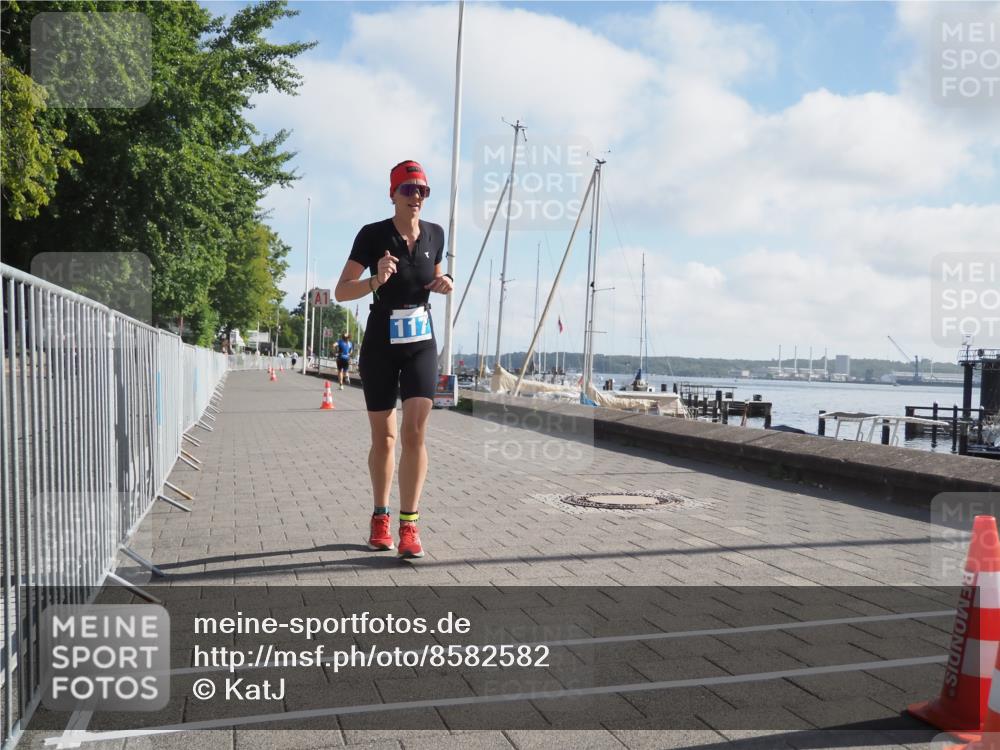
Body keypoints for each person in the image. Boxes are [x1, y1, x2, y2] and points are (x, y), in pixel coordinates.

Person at [334, 160, 453, 559]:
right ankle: (380, 516)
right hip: (381, 341)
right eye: (408, 189)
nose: (416, 196)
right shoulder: (372, 235)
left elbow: (436, 274)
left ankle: (410, 525)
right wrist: (374, 280)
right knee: (384, 438)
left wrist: (445, 281)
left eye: (422, 190)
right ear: (393, 194)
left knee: (415, 432)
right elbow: (341, 291)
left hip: (421, 339)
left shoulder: (435, 233)